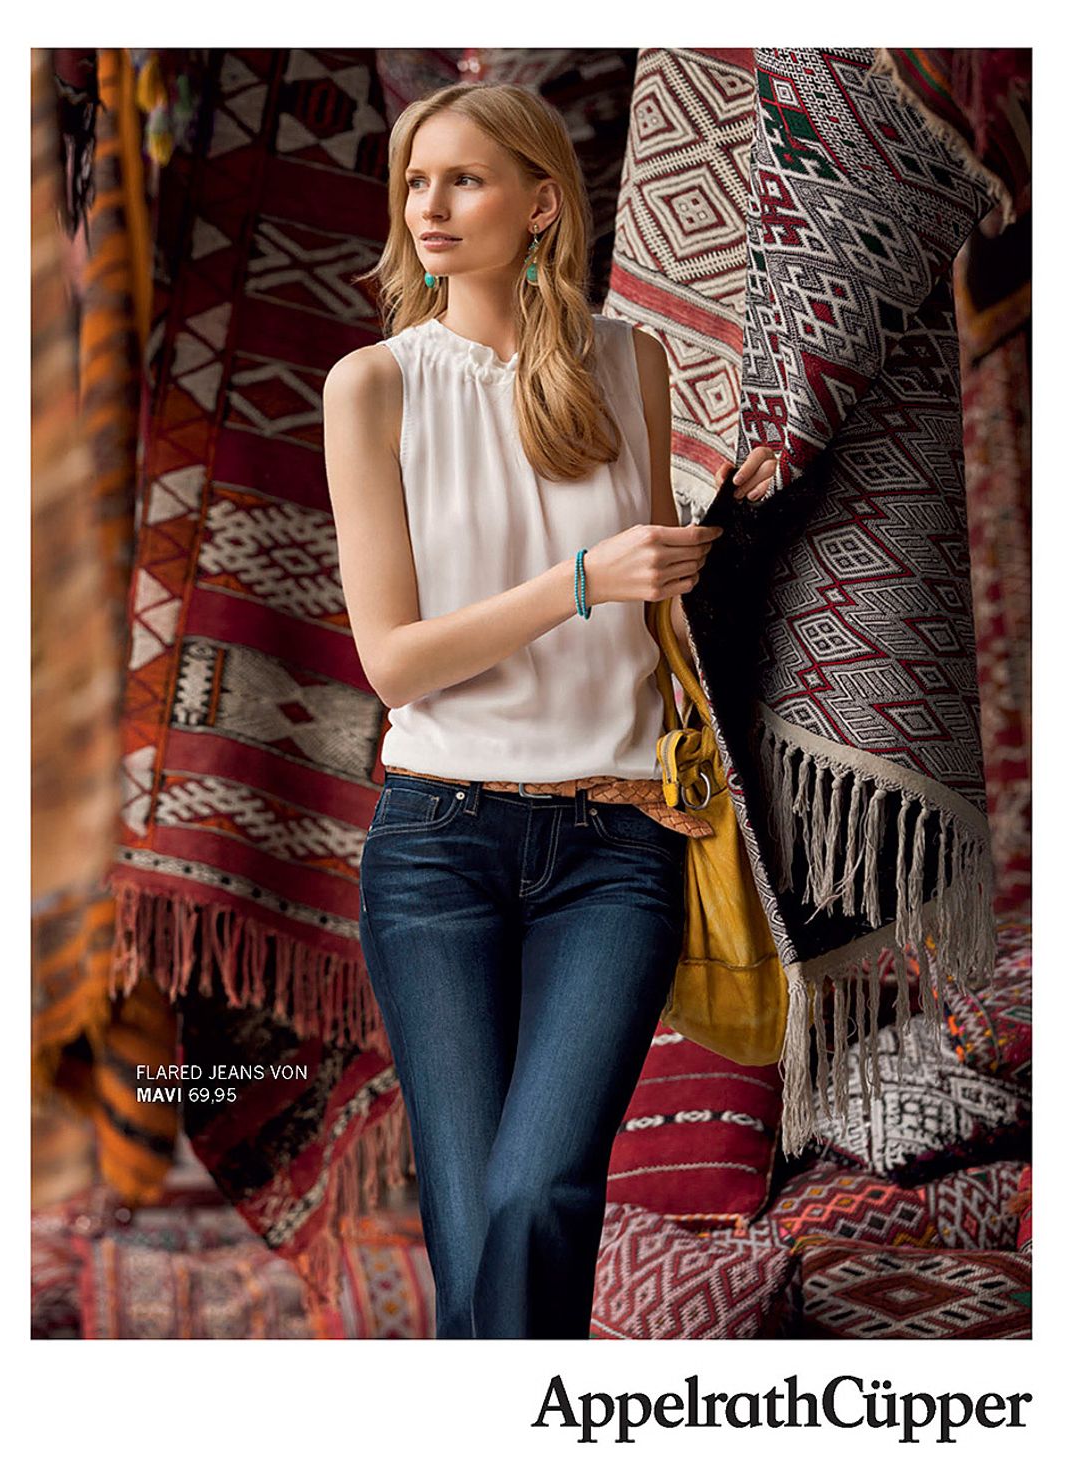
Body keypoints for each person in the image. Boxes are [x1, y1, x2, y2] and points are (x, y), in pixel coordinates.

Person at [320, 82, 773, 1338]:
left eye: (462, 180)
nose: (430, 207)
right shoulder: (370, 386)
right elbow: (393, 664)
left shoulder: (629, 362)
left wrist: (718, 541)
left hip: (615, 847)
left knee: (533, 1193)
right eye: (415, 181)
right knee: (474, 1224)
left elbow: (656, 607)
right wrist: (577, 582)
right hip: (435, 848)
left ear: (538, 202)